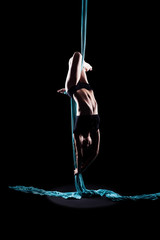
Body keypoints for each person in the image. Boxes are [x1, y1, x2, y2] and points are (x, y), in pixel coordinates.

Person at [57, 51, 100, 175]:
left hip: (73, 88)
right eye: (89, 146)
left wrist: (79, 169)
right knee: (77, 60)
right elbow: (95, 153)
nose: (87, 145)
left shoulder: (77, 132)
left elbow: (78, 153)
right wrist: (84, 167)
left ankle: (85, 65)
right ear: (91, 142)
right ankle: (84, 66)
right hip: (86, 87)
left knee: (76, 56)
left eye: (83, 145)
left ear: (81, 142)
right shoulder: (95, 127)